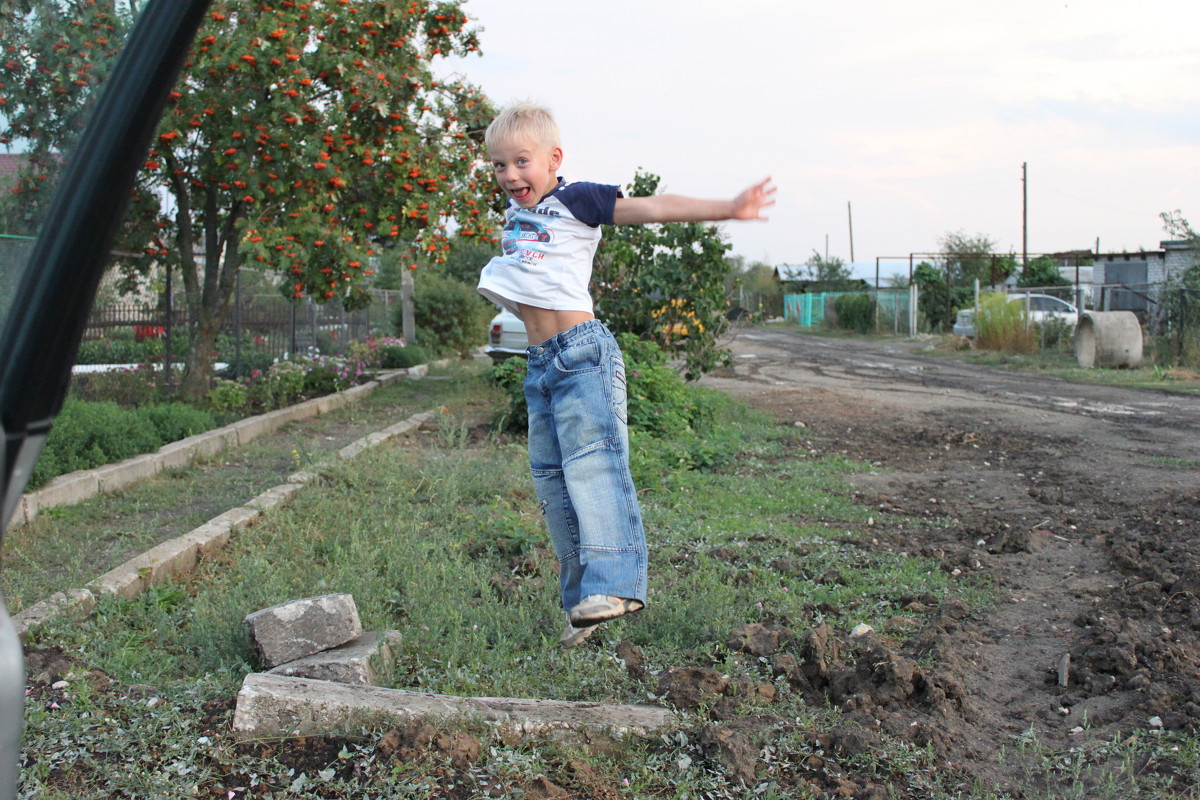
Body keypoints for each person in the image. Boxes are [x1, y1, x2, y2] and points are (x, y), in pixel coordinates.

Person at [476, 103, 775, 648]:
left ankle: (616, 584)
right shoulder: (517, 218)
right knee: (553, 485)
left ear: (554, 158)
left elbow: (654, 207)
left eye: (521, 161)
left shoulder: (576, 199)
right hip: (539, 365)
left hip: (580, 354)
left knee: (593, 468)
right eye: (499, 166)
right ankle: (582, 608)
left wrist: (729, 208)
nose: (510, 175)